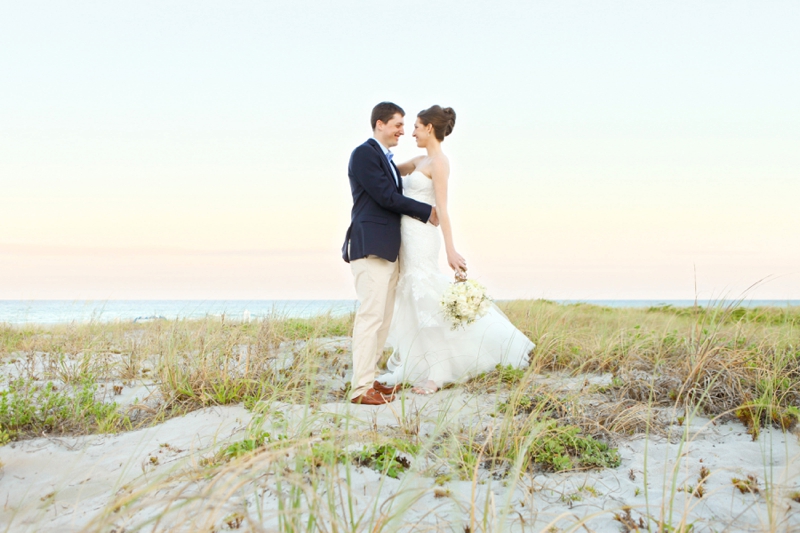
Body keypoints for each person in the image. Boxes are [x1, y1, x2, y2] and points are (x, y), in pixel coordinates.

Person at [378, 105, 535, 394]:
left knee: (426, 299)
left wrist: (451, 250)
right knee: (413, 302)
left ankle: (437, 375)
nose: (411, 132)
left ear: (429, 128)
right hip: (405, 237)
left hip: (423, 237)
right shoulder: (418, 160)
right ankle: (419, 364)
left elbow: (443, 210)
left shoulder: (439, 163)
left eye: (415, 126)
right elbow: (384, 173)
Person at [342, 102, 439, 405]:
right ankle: (360, 390)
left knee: (383, 320)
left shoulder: (385, 159)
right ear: (380, 124)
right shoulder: (364, 154)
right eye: (398, 124)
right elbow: (386, 197)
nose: (402, 130)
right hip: (369, 247)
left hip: (387, 250)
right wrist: (427, 211)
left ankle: (370, 381)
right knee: (370, 318)